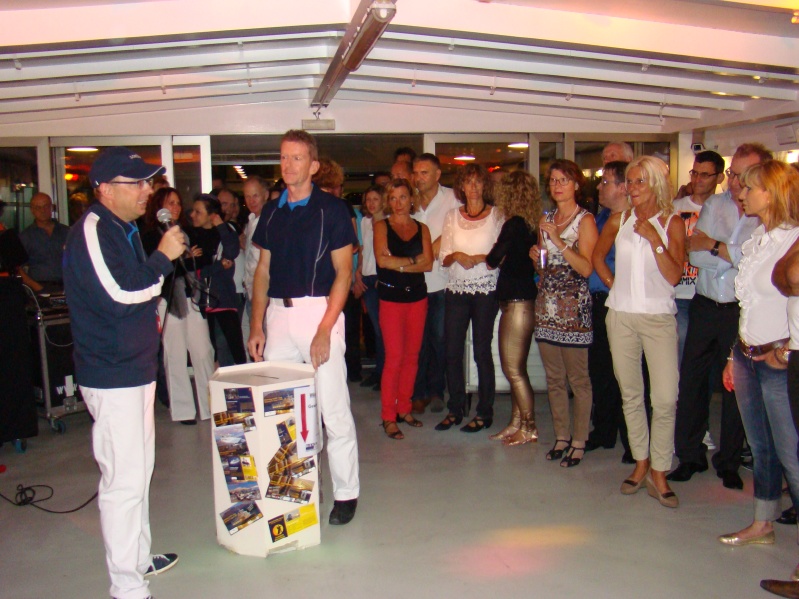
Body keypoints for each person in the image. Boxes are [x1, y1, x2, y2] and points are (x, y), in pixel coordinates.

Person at [62, 147, 185, 599]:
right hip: (112, 373)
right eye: (137, 183)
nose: (147, 190)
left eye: (148, 182)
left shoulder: (123, 228)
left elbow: (138, 289)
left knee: (139, 472)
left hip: (134, 368)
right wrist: (162, 258)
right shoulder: (94, 230)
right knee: (123, 481)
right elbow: (120, 294)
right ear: (105, 189)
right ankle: (125, 585)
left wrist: (156, 265)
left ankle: (137, 559)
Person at [248, 129, 360, 526]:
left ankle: (346, 492)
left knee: (332, 408)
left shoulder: (333, 210)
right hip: (279, 314)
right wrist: (257, 324)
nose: (288, 164)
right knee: (281, 411)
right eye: (283, 157)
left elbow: (344, 272)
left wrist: (325, 328)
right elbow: (262, 271)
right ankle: (293, 489)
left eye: (297, 158)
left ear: (313, 166)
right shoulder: (271, 211)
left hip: (319, 311)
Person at [668, 144, 770, 488]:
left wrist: (715, 246)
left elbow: (756, 261)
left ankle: (729, 461)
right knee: (692, 380)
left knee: (736, 386)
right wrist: (733, 255)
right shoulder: (715, 204)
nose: (734, 181)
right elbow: (695, 257)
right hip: (705, 303)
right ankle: (690, 456)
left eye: (741, 174)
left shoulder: (765, 212)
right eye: (732, 173)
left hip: (739, 309)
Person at [593, 155, 685, 508]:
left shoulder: (673, 222)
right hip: (621, 316)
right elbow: (598, 256)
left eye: (638, 181)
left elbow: (674, 275)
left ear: (656, 184)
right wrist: (613, 284)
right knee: (631, 394)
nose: (631, 188)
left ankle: (660, 470)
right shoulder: (620, 219)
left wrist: (655, 239)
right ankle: (641, 462)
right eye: (629, 181)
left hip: (658, 318)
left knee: (665, 398)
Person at [718, 160, 799, 549]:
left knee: (791, 454)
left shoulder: (792, 240)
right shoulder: (757, 237)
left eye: (750, 187)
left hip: (778, 362)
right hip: (747, 355)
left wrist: (786, 349)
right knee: (762, 447)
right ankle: (763, 522)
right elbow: (747, 305)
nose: (741, 192)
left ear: (772, 193)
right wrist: (733, 355)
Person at [530, 159, 597, 467]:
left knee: (578, 379)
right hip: (547, 305)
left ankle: (579, 440)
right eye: (553, 180)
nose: (557, 186)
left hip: (573, 308)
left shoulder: (585, 220)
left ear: (576, 185)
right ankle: (561, 436)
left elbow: (586, 268)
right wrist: (536, 257)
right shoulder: (546, 218)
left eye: (563, 180)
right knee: (554, 377)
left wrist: (558, 240)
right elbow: (544, 269)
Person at [436, 163, 502, 433]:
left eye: (478, 182)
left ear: (485, 185)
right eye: (468, 182)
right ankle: (455, 408)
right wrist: (457, 256)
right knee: (452, 350)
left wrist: (480, 258)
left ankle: (485, 412)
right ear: (461, 187)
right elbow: (443, 256)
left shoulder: (497, 215)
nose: (473, 187)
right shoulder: (452, 216)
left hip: (486, 290)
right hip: (456, 289)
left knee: (481, 351)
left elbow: (503, 254)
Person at [141, 187, 214, 425]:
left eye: (177, 203)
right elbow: (159, 267)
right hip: (169, 298)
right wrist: (183, 259)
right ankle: (183, 410)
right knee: (175, 354)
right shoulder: (151, 235)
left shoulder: (187, 230)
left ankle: (210, 407)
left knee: (203, 351)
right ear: (159, 207)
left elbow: (201, 258)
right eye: (170, 203)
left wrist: (185, 259)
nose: (175, 207)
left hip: (192, 296)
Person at [374, 179, 433, 439]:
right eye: (393, 198)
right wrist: (411, 260)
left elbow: (428, 264)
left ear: (411, 199)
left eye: (403, 197)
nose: (398, 203)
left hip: (417, 297)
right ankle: (389, 416)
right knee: (394, 357)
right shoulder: (381, 226)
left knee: (412, 356)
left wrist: (397, 263)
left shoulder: (422, 228)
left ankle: (404, 409)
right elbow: (381, 261)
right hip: (391, 298)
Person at [485, 171, 541, 445]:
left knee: (513, 370)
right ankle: (516, 423)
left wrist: (499, 255)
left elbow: (492, 259)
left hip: (518, 303)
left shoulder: (514, 224)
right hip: (523, 301)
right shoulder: (530, 224)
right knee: (517, 368)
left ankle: (529, 427)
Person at [584, 161, 632, 463]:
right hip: (598, 299)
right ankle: (604, 430)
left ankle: (632, 440)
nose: (600, 187)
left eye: (606, 182)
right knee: (600, 369)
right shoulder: (601, 216)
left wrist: (615, 288)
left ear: (623, 187)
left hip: (622, 301)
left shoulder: (632, 220)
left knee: (626, 372)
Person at [410, 153, 460, 414]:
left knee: (439, 340)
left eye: (424, 173)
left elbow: (457, 231)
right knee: (417, 342)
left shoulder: (453, 199)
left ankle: (436, 391)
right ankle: (418, 393)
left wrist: (430, 251)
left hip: (441, 282)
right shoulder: (409, 201)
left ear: (438, 174)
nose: (418, 178)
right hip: (414, 282)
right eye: (416, 173)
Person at [672, 150, 726, 364]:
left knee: (707, 358)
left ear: (719, 178)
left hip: (710, 293)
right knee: (681, 352)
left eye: (704, 175)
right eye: (694, 173)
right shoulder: (675, 208)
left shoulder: (726, 210)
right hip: (680, 292)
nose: (697, 179)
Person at [190, 194, 247, 366]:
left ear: (212, 215)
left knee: (236, 348)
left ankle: (242, 381)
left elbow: (232, 251)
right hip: (201, 302)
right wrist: (218, 266)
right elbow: (196, 272)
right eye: (193, 211)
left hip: (224, 298)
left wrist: (221, 225)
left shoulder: (224, 231)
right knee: (211, 350)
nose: (192, 215)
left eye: (198, 212)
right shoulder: (193, 236)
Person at [0, 200, 38, 448]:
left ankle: (15, 427)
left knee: (12, 364)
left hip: (7, 299)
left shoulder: (6, 235)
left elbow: (16, 261)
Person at [358, 185, 386, 390]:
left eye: (375, 199)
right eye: (368, 199)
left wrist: (383, 275)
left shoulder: (388, 222)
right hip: (367, 277)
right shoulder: (365, 222)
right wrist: (358, 272)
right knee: (376, 329)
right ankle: (379, 371)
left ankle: (383, 373)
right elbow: (363, 249)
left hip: (380, 278)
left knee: (382, 329)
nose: (371, 203)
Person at [241, 176, 270, 352]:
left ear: (265, 195)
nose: (251, 201)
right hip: (250, 292)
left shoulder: (270, 221)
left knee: (263, 343)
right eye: (247, 196)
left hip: (264, 295)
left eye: (255, 196)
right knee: (250, 343)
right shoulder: (251, 220)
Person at [19, 192, 69, 291]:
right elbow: (17, 268)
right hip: (39, 288)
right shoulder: (26, 236)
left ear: (52, 207)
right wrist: (36, 287)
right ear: (32, 210)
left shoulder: (67, 232)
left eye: (46, 206)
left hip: (67, 287)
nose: (43, 210)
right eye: (38, 207)